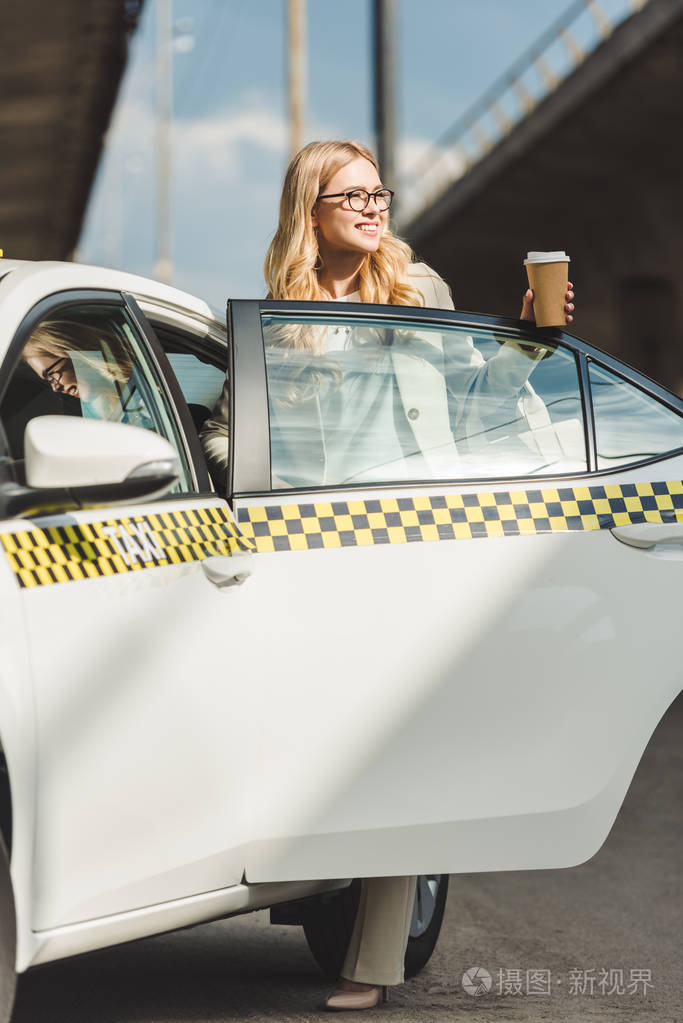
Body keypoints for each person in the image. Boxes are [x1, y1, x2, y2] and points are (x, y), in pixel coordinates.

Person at [201, 140, 574, 1011]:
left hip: (411, 545)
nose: (374, 208)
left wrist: (534, 340)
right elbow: (224, 431)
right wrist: (253, 482)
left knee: (398, 746)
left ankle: (370, 961)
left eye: (380, 194)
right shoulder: (271, 318)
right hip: (312, 551)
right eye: (353, 196)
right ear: (310, 209)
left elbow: (480, 399)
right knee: (320, 741)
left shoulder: (420, 292)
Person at [23, 320, 154, 430]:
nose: (55, 388)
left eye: (51, 375)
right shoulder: (99, 414)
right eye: (48, 381)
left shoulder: (149, 397)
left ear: (75, 354)